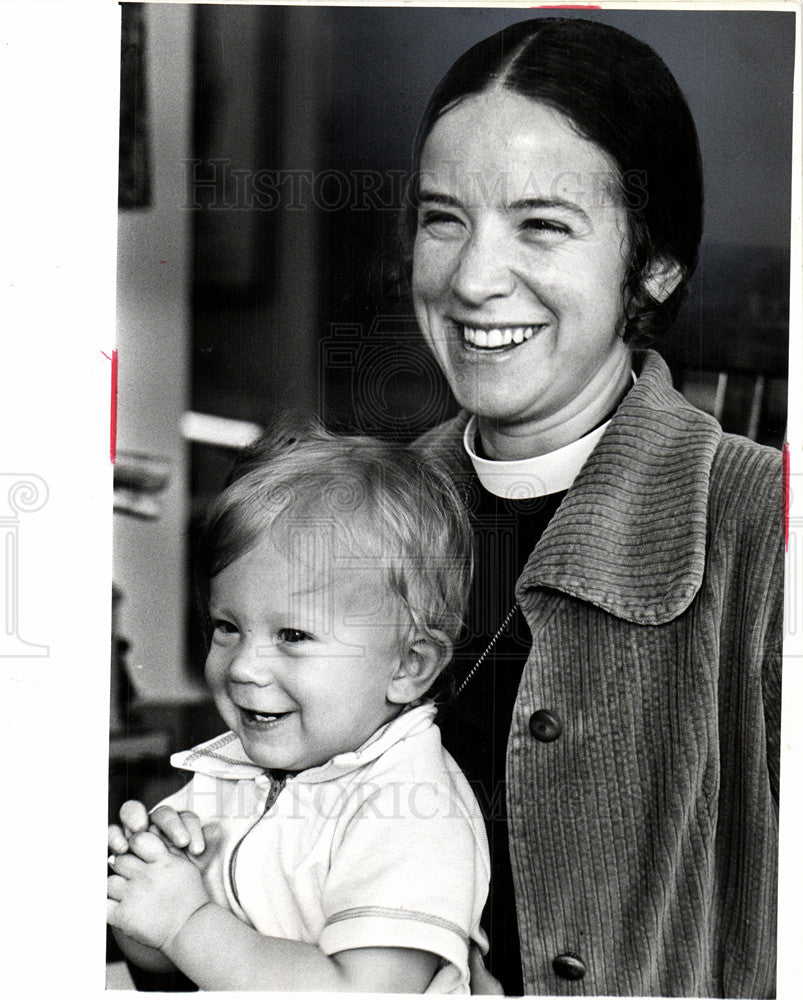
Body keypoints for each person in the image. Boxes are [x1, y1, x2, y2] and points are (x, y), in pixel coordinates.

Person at [407, 17, 783, 998]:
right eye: (442, 217)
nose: (471, 279)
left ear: (651, 265)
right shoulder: (369, 513)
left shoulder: (761, 526)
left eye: (541, 224)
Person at [107, 426, 490, 993]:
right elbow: (174, 957)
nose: (243, 667)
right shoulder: (234, 772)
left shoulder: (409, 807)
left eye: (293, 634)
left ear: (408, 666)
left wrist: (187, 920)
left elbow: (361, 991)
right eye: (227, 628)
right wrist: (149, 886)